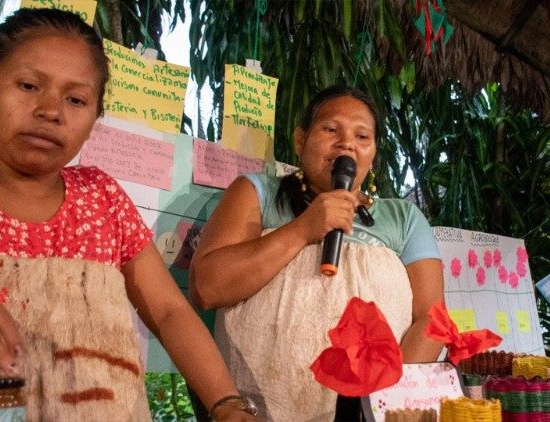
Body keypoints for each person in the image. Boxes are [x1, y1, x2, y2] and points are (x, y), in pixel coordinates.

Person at [0, 8, 255, 421]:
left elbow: (169, 311)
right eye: (29, 85)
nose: (51, 110)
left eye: (76, 99)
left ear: (93, 119)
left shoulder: (101, 196)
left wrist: (228, 406)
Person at [190, 85, 445, 420]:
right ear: (300, 140)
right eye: (330, 129)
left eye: (362, 136)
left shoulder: (405, 219)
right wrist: (302, 230)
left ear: (373, 153)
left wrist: (382, 401)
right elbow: (207, 288)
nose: (346, 143)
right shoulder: (256, 193)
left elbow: (432, 319)